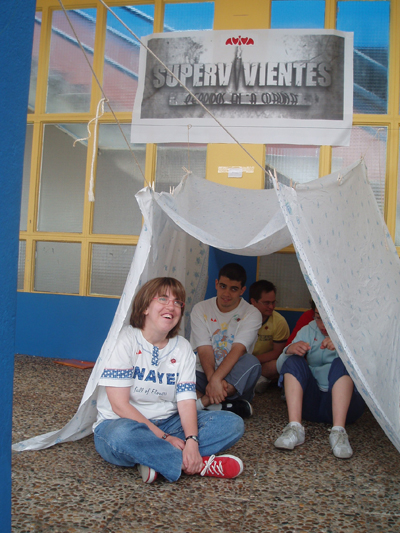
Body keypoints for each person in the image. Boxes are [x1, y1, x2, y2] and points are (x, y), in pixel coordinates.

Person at [93, 277, 245, 484]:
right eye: (163, 299)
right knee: (121, 437)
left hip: (169, 423)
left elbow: (185, 401)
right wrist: (164, 438)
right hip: (123, 423)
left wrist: (191, 440)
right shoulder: (124, 340)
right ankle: (198, 465)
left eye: (177, 303)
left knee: (233, 423)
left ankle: (155, 460)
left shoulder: (182, 348)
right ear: (145, 307)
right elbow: (119, 406)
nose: (171, 307)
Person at [274, 307, 365, 458]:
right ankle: (295, 427)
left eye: (328, 319)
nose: (322, 324)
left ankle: (339, 432)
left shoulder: (352, 332)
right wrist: (289, 350)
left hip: (346, 408)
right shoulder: (307, 330)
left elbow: (370, 375)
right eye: (318, 317)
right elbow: (280, 368)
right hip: (311, 404)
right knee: (293, 360)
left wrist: (344, 349)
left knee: (341, 363)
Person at [190, 263, 262, 419]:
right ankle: (221, 406)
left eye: (234, 289)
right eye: (223, 286)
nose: (226, 293)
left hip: (233, 382)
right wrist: (212, 380)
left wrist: (216, 380)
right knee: (176, 369)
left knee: (252, 363)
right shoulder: (200, 309)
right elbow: (204, 349)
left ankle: (202, 403)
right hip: (204, 376)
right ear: (216, 284)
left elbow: (239, 350)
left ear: (242, 290)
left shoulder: (252, 313)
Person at [249, 280, 290, 393]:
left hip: (264, 363)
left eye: (273, 302)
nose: (271, 306)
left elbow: (277, 352)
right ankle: (259, 380)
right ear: (253, 301)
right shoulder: (241, 318)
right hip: (243, 361)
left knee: (278, 364)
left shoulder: (279, 322)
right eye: (266, 303)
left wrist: (253, 360)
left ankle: (258, 379)